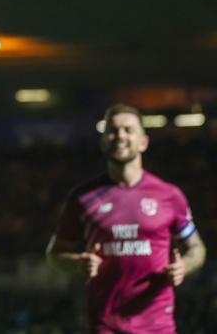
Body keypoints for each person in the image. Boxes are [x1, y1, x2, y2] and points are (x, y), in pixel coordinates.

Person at [46, 104, 207, 333]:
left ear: (143, 142)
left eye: (128, 130)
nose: (120, 135)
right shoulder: (82, 197)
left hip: (156, 326)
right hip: (105, 324)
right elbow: (54, 255)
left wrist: (184, 266)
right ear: (103, 142)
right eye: (113, 130)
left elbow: (197, 249)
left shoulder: (170, 195)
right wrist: (77, 263)